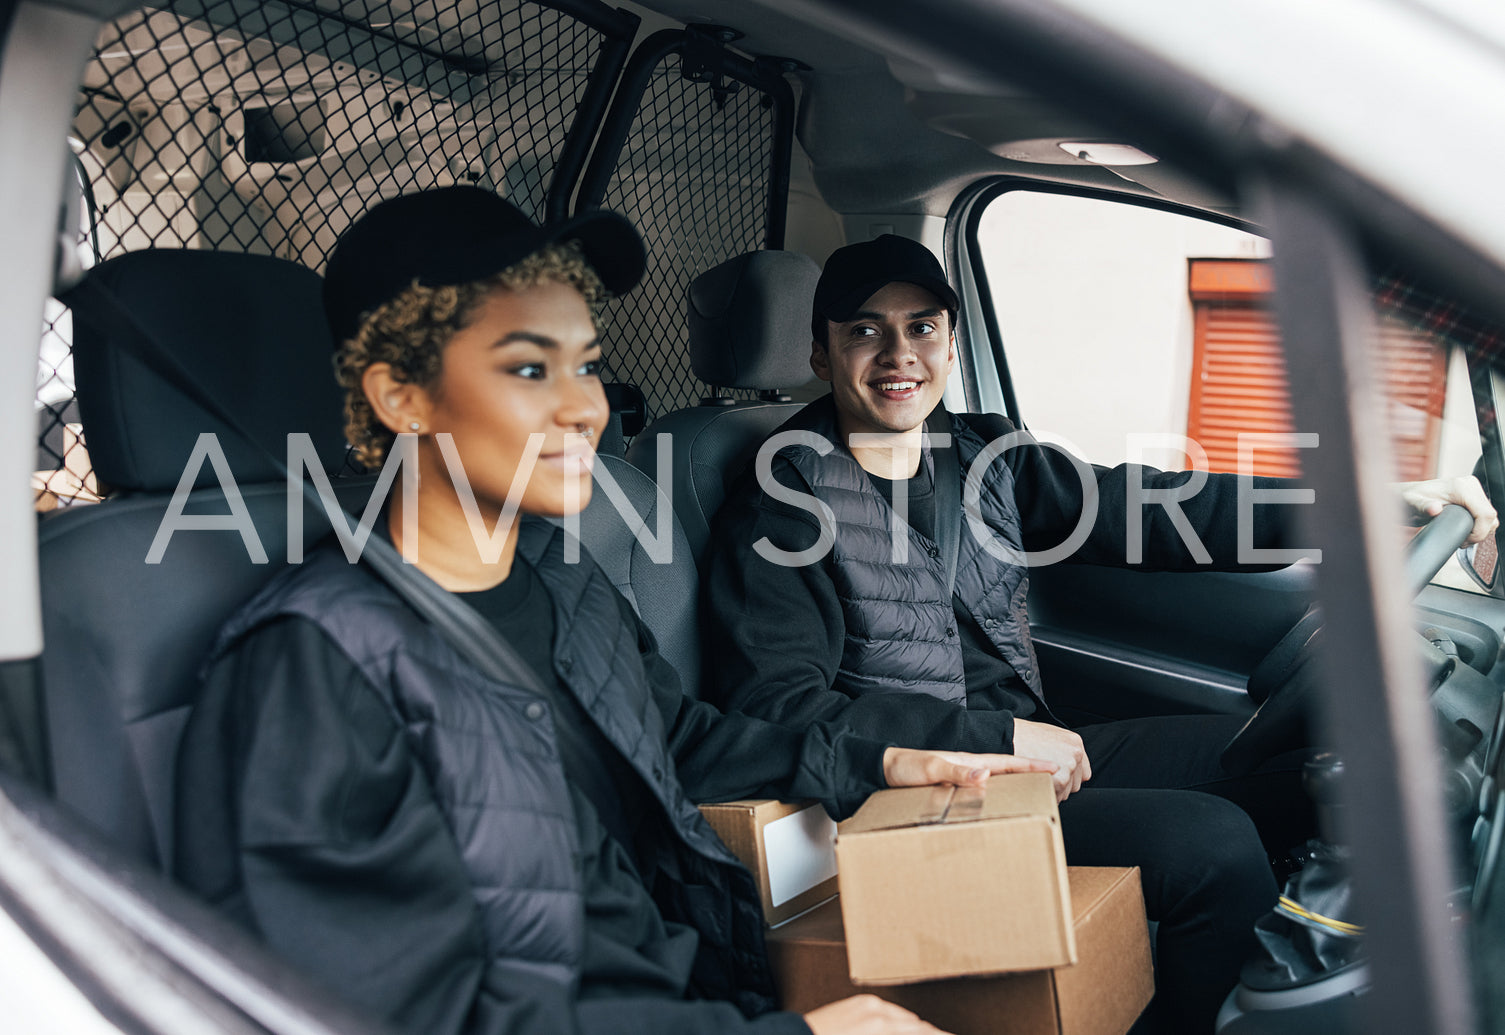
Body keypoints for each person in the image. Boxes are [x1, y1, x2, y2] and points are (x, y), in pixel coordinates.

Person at [173, 189, 1051, 1035]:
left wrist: (888, 758)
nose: (584, 407)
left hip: (691, 983)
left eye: (587, 363)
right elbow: (397, 1008)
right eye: (528, 368)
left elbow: (684, 739)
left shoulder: (558, 573)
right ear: (400, 396)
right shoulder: (312, 665)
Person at [700, 233, 1500, 1033]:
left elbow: (1154, 507)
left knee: (1297, 764)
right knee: (1210, 841)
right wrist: (988, 735)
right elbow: (778, 707)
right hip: (908, 795)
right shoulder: (780, 504)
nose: (897, 353)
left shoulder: (983, 454)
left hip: (1031, 752)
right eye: (865, 331)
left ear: (949, 340)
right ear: (819, 352)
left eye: (921, 327)